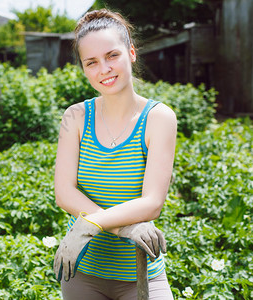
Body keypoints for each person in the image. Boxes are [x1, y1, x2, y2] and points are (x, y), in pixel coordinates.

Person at [53, 8, 177, 300]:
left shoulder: (159, 118)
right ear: (84, 69)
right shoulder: (75, 117)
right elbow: (64, 193)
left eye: (112, 56)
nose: (104, 69)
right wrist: (124, 227)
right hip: (83, 272)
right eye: (91, 62)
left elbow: (152, 203)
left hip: (141, 273)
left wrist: (89, 224)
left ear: (131, 53)